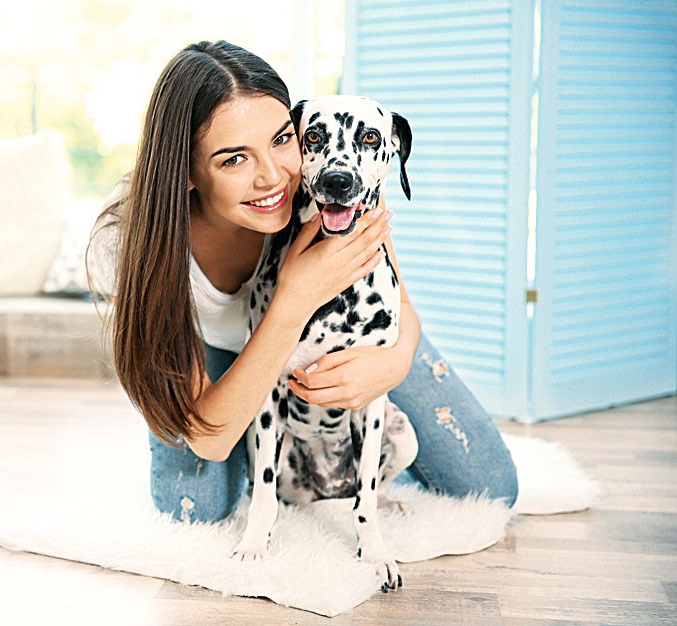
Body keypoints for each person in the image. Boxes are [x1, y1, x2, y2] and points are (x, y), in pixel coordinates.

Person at [89, 40, 517, 524]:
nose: (274, 178)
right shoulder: (128, 238)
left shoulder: (329, 183)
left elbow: (398, 303)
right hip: (208, 350)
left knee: (489, 485)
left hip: (337, 337)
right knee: (193, 511)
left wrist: (394, 363)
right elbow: (211, 440)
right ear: (185, 171)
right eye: (234, 159)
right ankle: (269, 445)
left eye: (281, 139)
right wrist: (295, 296)